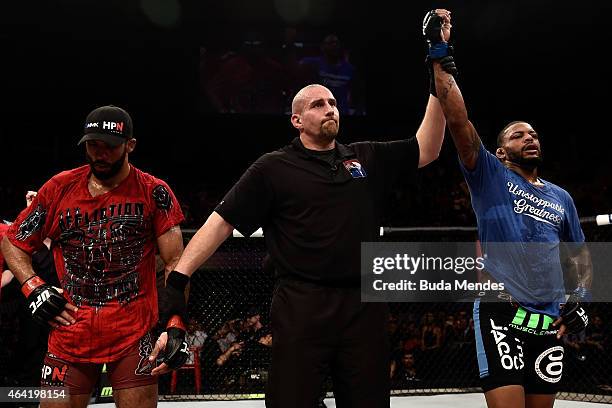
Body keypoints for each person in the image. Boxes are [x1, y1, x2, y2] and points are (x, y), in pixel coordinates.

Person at [154, 23, 451, 403]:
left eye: (333, 103)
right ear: (296, 121)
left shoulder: (365, 157)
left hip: (364, 304)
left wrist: (438, 76)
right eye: (317, 104)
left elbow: (427, 147)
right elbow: (222, 221)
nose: (330, 108)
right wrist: (178, 279)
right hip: (301, 304)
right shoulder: (273, 167)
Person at [423, 9, 592, 408]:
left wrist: (579, 300)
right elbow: (459, 121)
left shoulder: (560, 197)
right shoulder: (491, 176)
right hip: (502, 314)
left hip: (548, 321)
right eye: (519, 135)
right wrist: (438, 53)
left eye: (533, 133)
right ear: (501, 151)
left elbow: (580, 255)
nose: (529, 138)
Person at [1, 105, 188, 408]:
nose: (99, 154)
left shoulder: (154, 192)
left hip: (132, 333)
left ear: (130, 145)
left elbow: (176, 263)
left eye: (109, 147)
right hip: (69, 330)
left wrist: (176, 323)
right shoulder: (59, 188)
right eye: (92, 145)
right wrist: (33, 287)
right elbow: (14, 242)